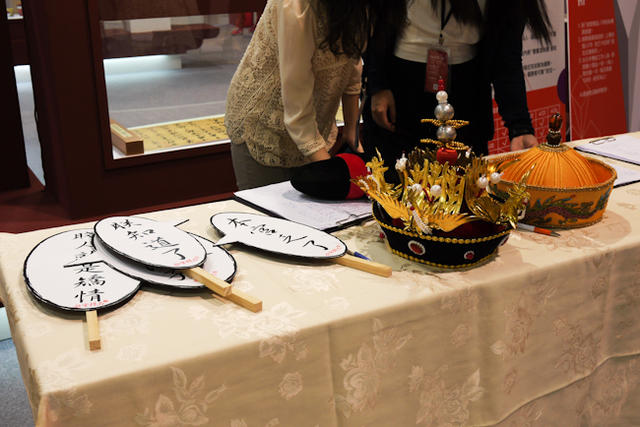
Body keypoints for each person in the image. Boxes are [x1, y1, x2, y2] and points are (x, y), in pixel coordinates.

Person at [225, 0, 408, 190]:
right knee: (268, 207)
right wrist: (333, 173)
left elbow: (351, 58)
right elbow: (296, 102)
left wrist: (351, 128)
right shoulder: (295, 5)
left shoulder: (359, 7)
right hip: (264, 125)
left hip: (311, 127)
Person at [362, 0, 552, 175]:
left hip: (467, 90)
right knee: (399, 182)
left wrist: (520, 127)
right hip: (401, 84)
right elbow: (373, 20)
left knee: (464, 186)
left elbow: (506, 57)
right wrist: (378, 85)